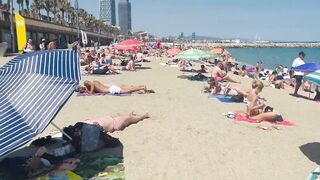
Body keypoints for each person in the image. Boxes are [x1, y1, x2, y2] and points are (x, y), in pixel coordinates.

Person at [85, 112, 150, 133]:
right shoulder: (93, 130)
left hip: (112, 120)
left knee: (125, 117)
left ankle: (131, 116)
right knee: (129, 118)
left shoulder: (85, 124)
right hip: (114, 124)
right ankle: (142, 117)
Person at [77, 80, 155, 94]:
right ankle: (141, 87)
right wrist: (87, 88)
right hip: (110, 87)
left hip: (111, 89)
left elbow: (91, 91)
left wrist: (87, 91)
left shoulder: (92, 84)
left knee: (127, 90)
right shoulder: (94, 82)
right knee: (127, 89)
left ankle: (141, 88)